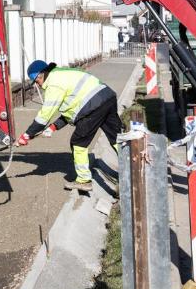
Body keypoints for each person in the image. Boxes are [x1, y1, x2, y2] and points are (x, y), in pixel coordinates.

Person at [16, 60, 123, 192]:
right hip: (107, 97)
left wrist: (26, 135)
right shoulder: (62, 74)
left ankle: (84, 180)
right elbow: (73, 108)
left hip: (93, 106)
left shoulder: (53, 85)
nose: (37, 85)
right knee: (116, 137)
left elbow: (43, 117)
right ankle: (130, 168)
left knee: (78, 142)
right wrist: (53, 127)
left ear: (39, 76)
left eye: (36, 82)